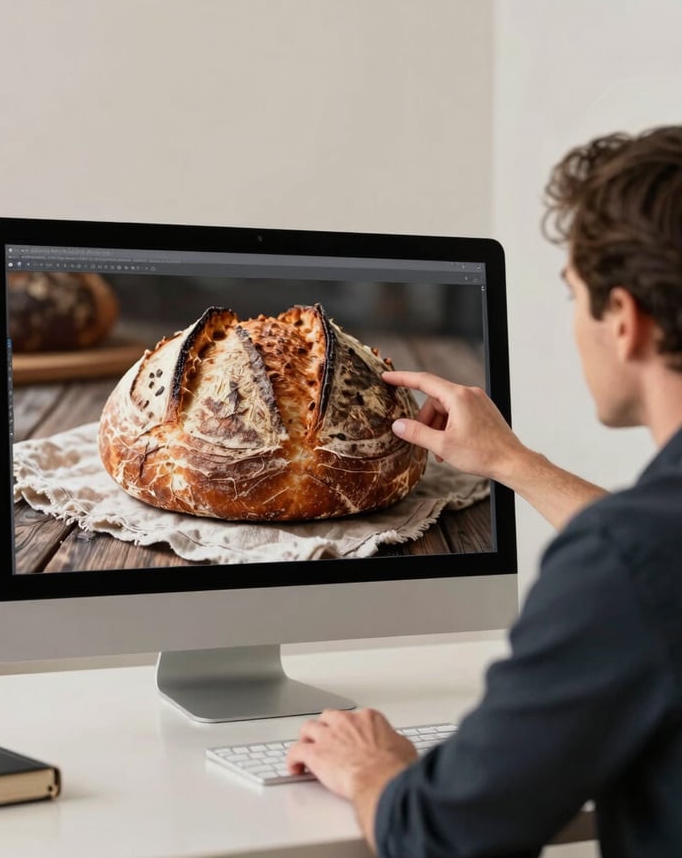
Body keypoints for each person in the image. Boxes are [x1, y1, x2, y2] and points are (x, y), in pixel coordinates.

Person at [286, 125, 682, 856]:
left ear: (624, 322)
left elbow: (444, 837)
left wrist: (376, 769)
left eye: (574, 297)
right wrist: (510, 460)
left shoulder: (626, 560)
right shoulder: (645, 552)